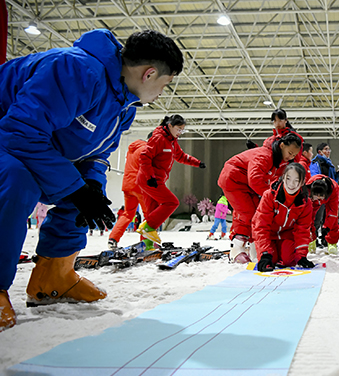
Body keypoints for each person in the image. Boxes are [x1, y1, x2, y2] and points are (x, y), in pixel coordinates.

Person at [0, 29, 183, 331]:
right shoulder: (76, 70)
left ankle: (53, 277)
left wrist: (92, 184)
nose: (162, 93)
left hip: (34, 145)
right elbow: (20, 132)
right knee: (18, 184)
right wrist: (76, 188)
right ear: (149, 74)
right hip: (9, 137)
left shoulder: (123, 106)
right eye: (165, 84)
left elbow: (99, 152)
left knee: (87, 200)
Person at [218, 133, 303, 263]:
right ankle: (237, 250)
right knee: (249, 214)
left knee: (258, 214)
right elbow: (255, 179)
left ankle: (253, 250)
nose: (290, 157)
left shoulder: (280, 161)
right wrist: (272, 197)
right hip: (233, 180)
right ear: (282, 145)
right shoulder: (264, 155)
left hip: (249, 185)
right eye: (290, 153)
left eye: (294, 155)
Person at [136, 115, 205, 244]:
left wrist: (197, 163)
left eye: (182, 130)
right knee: (171, 202)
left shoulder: (172, 142)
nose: (180, 133)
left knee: (152, 213)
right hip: (149, 179)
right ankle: (147, 227)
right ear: (170, 126)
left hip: (156, 179)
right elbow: (144, 157)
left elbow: (180, 156)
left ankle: (146, 245)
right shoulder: (158, 138)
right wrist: (150, 177)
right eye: (178, 129)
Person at [252, 163, 315, 271]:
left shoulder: (305, 203)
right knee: (270, 260)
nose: (291, 184)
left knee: (289, 261)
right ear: (283, 177)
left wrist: (301, 255)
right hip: (268, 234)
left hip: (286, 235)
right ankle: (260, 250)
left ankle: (281, 253)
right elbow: (261, 226)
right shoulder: (270, 195)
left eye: (296, 180)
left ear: (302, 182)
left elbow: (303, 230)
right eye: (288, 178)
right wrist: (265, 254)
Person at [108, 133, 152, 249]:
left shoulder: (133, 150)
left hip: (128, 185)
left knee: (128, 213)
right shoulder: (147, 150)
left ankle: (113, 239)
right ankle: (146, 243)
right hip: (141, 186)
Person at [306, 174, 339, 254]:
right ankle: (311, 241)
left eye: (321, 196)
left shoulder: (333, 189)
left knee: (333, 220)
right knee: (308, 218)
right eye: (316, 196)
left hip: (330, 196)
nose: (319, 198)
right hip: (312, 199)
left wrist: (327, 227)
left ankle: (332, 243)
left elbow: (333, 211)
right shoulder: (307, 188)